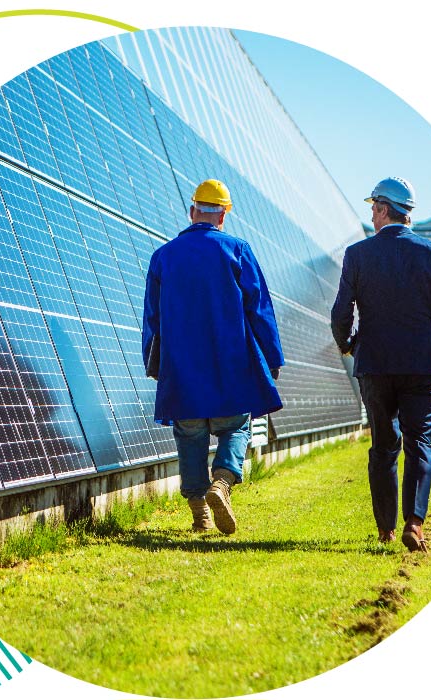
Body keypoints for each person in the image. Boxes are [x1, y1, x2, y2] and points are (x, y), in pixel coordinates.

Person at [142, 179, 284, 535]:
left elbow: (152, 319)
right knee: (235, 426)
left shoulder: (163, 256)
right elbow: (259, 309)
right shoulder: (237, 251)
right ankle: (221, 483)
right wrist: (272, 356)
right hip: (230, 365)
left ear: (193, 212)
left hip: (182, 371)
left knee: (189, 437)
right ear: (223, 215)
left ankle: (199, 515)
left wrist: (153, 361)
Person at [331, 177, 431, 552]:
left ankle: (386, 529)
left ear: (385, 209)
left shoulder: (357, 255)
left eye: (373, 208)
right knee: (419, 442)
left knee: (383, 446)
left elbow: (341, 313)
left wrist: (349, 347)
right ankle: (415, 523)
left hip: (374, 365)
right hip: (422, 367)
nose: (371, 215)